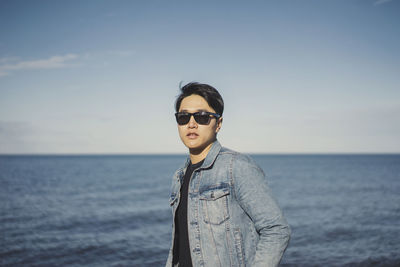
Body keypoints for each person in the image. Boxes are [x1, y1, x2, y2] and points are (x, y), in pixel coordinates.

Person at [166, 82, 290, 267]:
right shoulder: (180, 176)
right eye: (183, 117)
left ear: (218, 124)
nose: (191, 124)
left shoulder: (236, 167)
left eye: (201, 117)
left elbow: (276, 230)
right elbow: (179, 244)